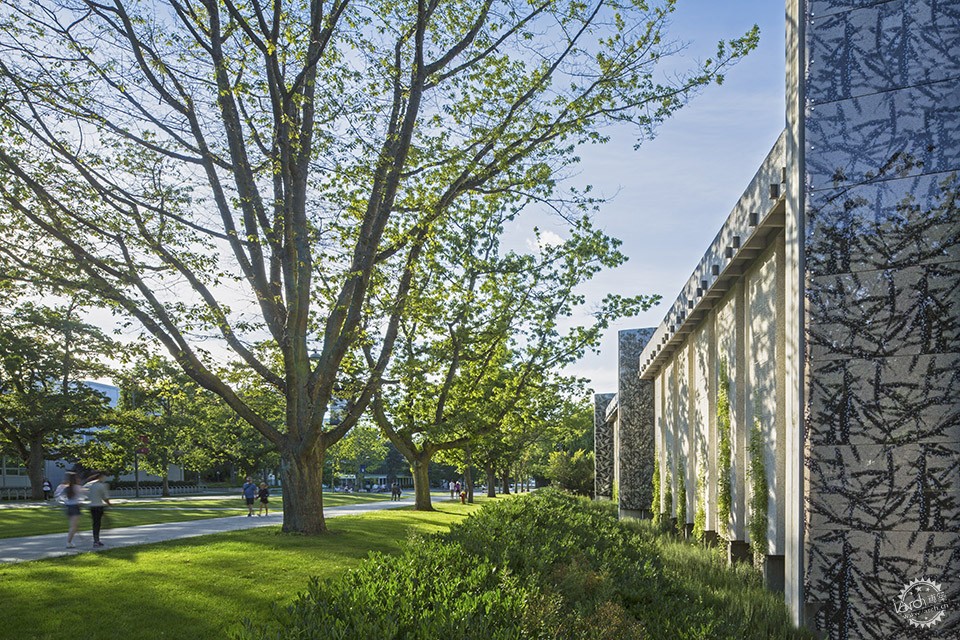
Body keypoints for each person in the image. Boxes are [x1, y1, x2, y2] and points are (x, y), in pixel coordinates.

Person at [54, 472, 86, 548]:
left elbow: (58, 496)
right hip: (75, 507)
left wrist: (64, 502)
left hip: (68, 507)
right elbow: (84, 494)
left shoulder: (66, 487)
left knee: (74, 524)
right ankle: (69, 542)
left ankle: (81, 538)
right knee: (73, 526)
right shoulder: (77, 487)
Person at [84, 471, 111, 547]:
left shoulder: (91, 485)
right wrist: (109, 504)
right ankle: (97, 540)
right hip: (99, 506)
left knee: (95, 523)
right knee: (98, 524)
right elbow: (105, 497)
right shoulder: (102, 486)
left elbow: (89, 495)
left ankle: (96, 540)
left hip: (92, 506)